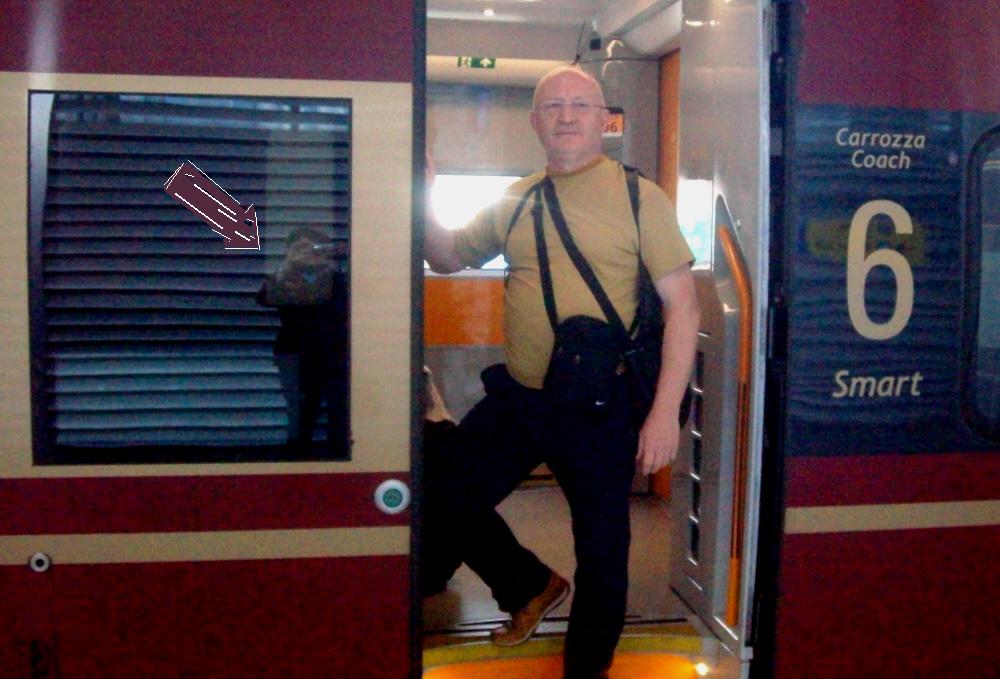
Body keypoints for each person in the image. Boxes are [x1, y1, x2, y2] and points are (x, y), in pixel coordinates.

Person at [423, 65, 699, 679]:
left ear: (604, 120)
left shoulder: (640, 198)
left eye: (580, 105)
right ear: (535, 121)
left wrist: (663, 415)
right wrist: (425, 190)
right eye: (552, 107)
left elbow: (684, 307)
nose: (567, 116)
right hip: (522, 401)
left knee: (602, 549)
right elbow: (444, 257)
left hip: (602, 407)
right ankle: (528, 584)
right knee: (440, 492)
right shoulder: (516, 199)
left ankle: (586, 671)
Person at [257, 227, 349, 456]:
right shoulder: (285, 276)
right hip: (295, 355)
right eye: (300, 248)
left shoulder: (337, 277)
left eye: (314, 248)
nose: (309, 253)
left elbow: (350, 304)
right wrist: (288, 264)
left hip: (335, 355)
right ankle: (297, 456)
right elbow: (264, 297)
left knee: (341, 411)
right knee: (300, 413)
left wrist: (332, 265)